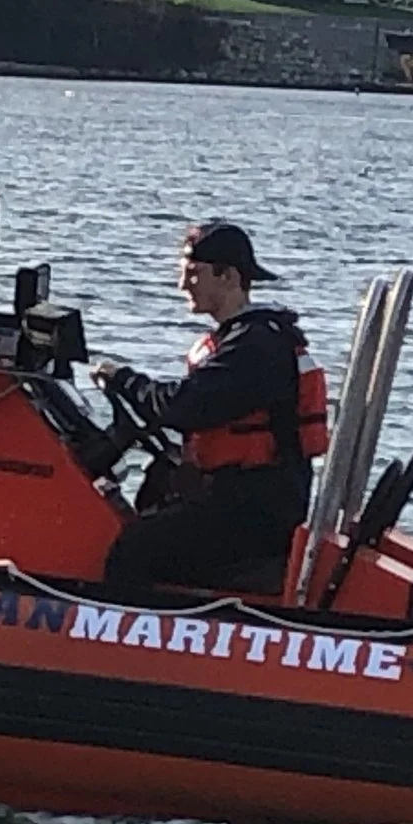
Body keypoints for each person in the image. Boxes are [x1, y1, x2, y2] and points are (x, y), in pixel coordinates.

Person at [92, 221, 327, 589]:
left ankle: (123, 636)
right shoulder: (246, 339)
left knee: (133, 550)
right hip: (244, 498)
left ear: (228, 277)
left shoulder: (256, 347)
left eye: (193, 274)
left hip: (257, 514)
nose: (182, 285)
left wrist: (124, 380)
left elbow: (186, 407)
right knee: (155, 493)